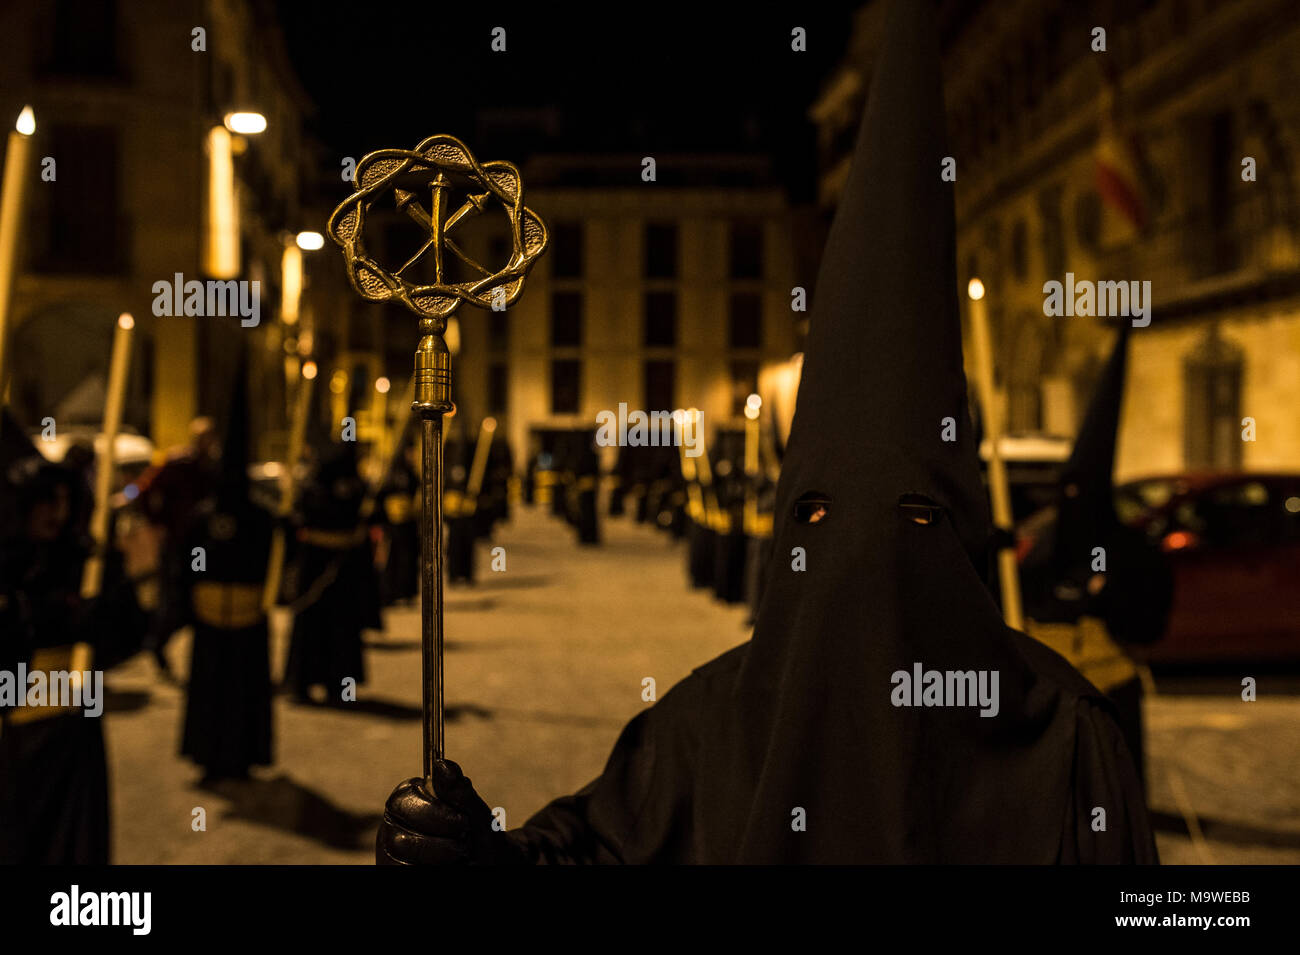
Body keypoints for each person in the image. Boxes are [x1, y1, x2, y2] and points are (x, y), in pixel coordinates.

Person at [374, 0, 1156, 864]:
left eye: (916, 521)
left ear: (964, 534)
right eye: (817, 517)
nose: (863, 559)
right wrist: (478, 851)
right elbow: (588, 852)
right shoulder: (705, 727)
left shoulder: (1071, 743)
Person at [1018, 323, 1173, 787]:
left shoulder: (1129, 551)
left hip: (1110, 699)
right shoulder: (1043, 543)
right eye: (1067, 493)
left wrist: (1110, 596)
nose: (1073, 502)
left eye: (1082, 494)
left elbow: (1148, 622)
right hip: (1052, 701)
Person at [0, 410, 151, 863]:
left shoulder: (81, 564)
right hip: (13, 742)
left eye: (63, 499)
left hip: (71, 734)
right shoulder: (10, 570)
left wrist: (111, 603)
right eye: (44, 500)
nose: (56, 512)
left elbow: (127, 637)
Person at [167, 363, 274, 781]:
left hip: (242, 616)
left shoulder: (255, 517)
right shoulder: (207, 517)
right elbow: (187, 561)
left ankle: (235, 754)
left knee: (235, 689)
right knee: (216, 689)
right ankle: (217, 754)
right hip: (216, 616)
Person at [283, 441, 381, 704]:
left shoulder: (356, 489)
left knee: (341, 631)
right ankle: (304, 684)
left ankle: (337, 686)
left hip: (341, 570)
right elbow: (297, 523)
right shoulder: (312, 487)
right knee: (312, 628)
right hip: (317, 569)